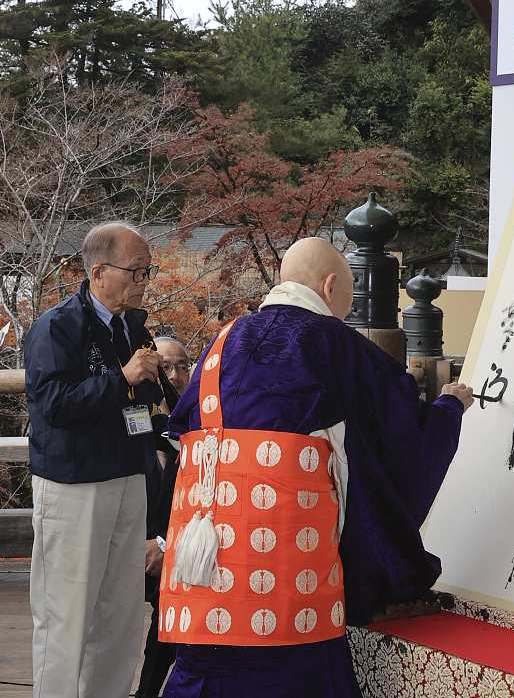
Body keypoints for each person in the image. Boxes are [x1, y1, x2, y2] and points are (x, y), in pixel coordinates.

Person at [158, 237, 472, 697]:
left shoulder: (222, 342)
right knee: (294, 670)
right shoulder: (333, 343)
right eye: (350, 290)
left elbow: (182, 436)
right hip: (287, 585)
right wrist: (448, 410)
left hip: (201, 580)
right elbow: (402, 441)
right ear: (330, 286)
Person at [25, 221, 164, 698]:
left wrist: (148, 380)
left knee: (121, 613)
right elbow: (54, 405)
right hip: (75, 483)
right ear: (99, 271)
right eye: (136, 271)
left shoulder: (132, 325)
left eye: (148, 270)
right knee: (67, 612)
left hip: (129, 475)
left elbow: (140, 401)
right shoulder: (55, 326)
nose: (143, 280)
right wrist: (124, 377)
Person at [136, 336, 192, 698]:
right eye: (165, 367)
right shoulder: (136, 416)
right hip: (127, 539)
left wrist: (163, 543)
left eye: (183, 366)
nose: (174, 375)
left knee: (169, 621)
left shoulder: (199, 419)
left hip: (173, 542)